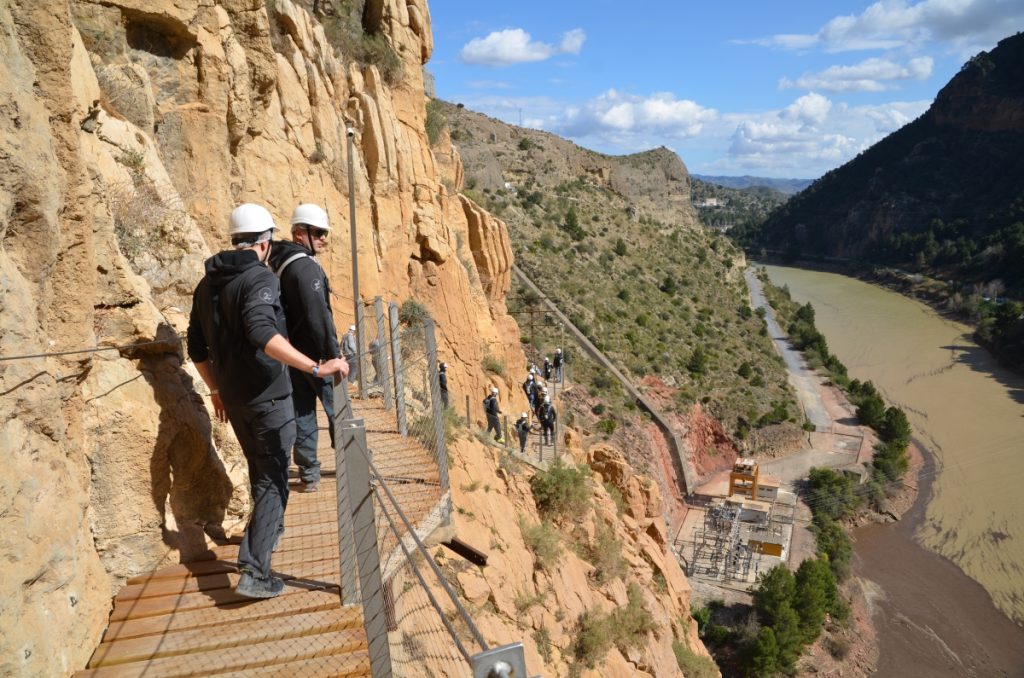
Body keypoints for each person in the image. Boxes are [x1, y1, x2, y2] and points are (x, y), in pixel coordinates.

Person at [187, 203, 348, 599]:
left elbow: (196, 348)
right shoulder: (259, 278)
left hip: (235, 400)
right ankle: (256, 571)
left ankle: (268, 532)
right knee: (273, 481)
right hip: (268, 398)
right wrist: (315, 368)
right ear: (263, 242)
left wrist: (216, 389)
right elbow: (262, 332)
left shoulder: (207, 283)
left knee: (263, 474)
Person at [267, 203, 340, 493]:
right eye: (319, 232)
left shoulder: (279, 263)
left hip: (293, 356)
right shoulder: (305, 267)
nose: (324, 238)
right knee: (338, 411)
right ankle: (354, 461)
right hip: (318, 356)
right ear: (300, 234)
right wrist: (334, 355)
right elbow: (318, 316)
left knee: (303, 415)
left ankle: (309, 473)